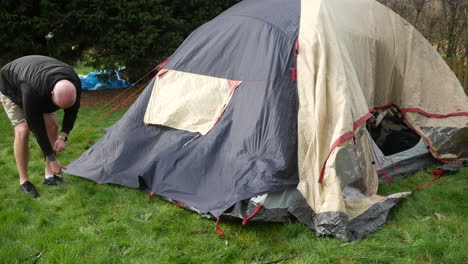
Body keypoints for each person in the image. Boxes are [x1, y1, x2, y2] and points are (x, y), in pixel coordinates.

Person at [0, 55, 81, 198]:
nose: (56, 109)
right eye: (56, 105)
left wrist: (63, 136)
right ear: (52, 94)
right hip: (10, 84)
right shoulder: (31, 90)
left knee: (53, 126)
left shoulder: (74, 82)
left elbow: (72, 112)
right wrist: (53, 158)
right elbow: (37, 129)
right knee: (23, 129)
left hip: (39, 83)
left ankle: (49, 176)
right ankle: (24, 181)